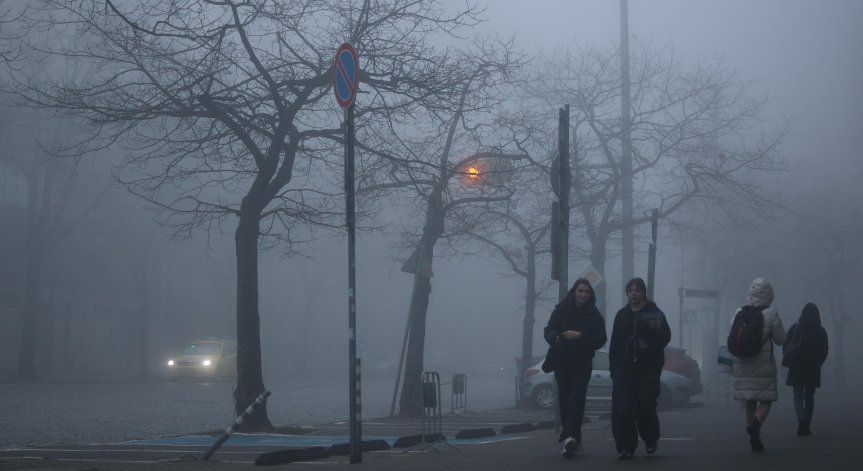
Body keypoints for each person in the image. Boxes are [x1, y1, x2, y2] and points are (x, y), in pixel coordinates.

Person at [542, 278, 608, 458]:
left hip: (582, 361)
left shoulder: (594, 315)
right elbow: (549, 329)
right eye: (580, 291)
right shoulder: (561, 310)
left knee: (577, 398)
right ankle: (573, 439)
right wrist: (554, 338)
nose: (583, 295)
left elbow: (601, 338)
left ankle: (569, 436)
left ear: (590, 295)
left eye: (586, 292)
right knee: (565, 398)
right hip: (562, 360)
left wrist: (580, 336)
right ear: (574, 292)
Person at [608, 277, 671, 460]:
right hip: (624, 369)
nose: (634, 294)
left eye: (637, 290)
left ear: (643, 293)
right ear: (627, 293)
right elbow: (615, 343)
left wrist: (651, 347)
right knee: (623, 409)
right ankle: (625, 447)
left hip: (647, 370)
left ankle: (651, 438)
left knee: (646, 409)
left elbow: (665, 336)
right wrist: (614, 368)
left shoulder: (654, 313)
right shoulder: (621, 315)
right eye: (631, 290)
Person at [731, 277, 786, 452]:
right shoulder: (771, 313)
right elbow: (781, 340)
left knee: (750, 400)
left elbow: (729, 335)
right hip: (764, 365)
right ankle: (756, 425)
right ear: (769, 295)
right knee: (767, 399)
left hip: (742, 364)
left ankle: (753, 436)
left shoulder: (739, 311)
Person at [783, 302, 829, 436]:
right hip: (812, 369)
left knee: (797, 396)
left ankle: (801, 420)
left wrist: (790, 360)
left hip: (796, 367)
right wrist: (818, 363)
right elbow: (824, 350)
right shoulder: (821, 331)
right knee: (810, 397)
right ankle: (807, 425)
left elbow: (786, 345)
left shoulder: (796, 328)